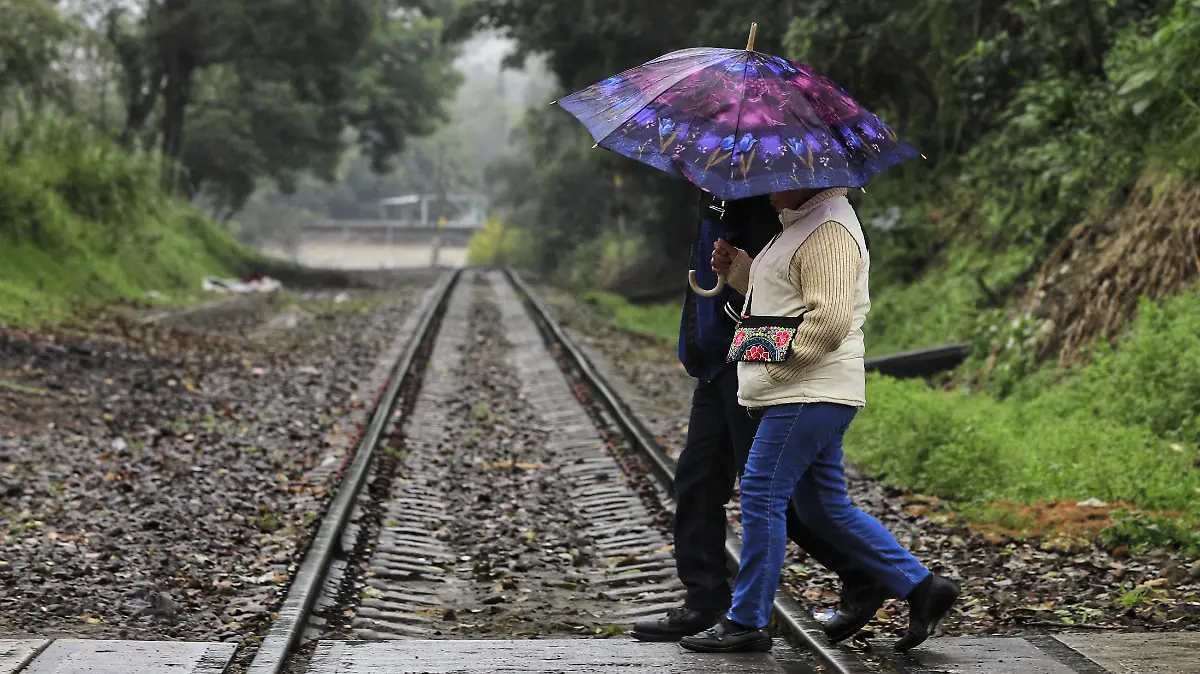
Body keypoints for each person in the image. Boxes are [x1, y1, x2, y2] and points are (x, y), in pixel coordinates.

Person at [679, 187, 960, 654]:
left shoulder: (829, 230)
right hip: (806, 393)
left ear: (804, 176)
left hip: (807, 393)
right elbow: (787, 296)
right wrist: (740, 273)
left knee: (760, 493)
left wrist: (775, 372)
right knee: (822, 507)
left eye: (773, 178)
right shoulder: (800, 226)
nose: (764, 190)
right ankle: (923, 587)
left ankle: (746, 620)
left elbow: (827, 320)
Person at [630, 192, 890, 644]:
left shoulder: (779, 193)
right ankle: (704, 599)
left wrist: (770, 365)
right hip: (719, 356)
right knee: (697, 479)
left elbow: (791, 294)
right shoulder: (716, 181)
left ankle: (863, 576)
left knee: (774, 492)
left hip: (761, 356)